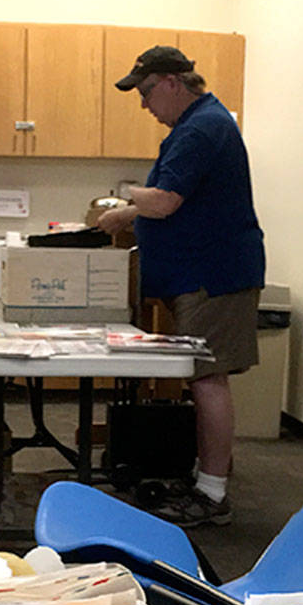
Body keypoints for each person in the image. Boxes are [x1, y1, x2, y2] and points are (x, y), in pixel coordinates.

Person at [97, 45, 265, 527]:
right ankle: (205, 478)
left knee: (208, 379)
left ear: (174, 82)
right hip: (202, 273)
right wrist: (131, 214)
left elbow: (167, 201)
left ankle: (212, 494)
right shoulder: (198, 126)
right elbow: (179, 202)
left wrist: (125, 194)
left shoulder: (201, 129)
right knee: (203, 378)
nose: (145, 105)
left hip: (212, 276)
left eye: (147, 92)